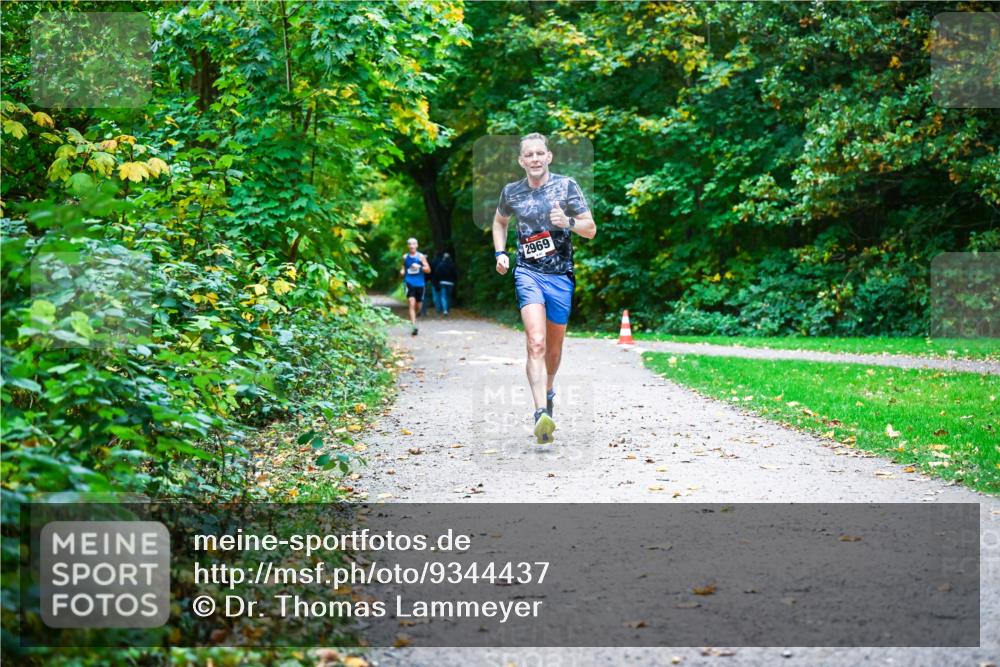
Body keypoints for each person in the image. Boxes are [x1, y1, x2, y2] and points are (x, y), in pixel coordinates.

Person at [491, 133, 596, 444]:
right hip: (528, 273)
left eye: (540, 153)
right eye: (529, 155)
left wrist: (567, 222)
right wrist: (500, 253)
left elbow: (590, 229)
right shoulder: (511, 192)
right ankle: (540, 414)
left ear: (549, 157)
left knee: (553, 349)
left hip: (560, 276)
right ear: (521, 161)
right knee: (535, 342)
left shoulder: (567, 187)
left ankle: (548, 393)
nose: (535, 159)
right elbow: (499, 222)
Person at [400, 237, 431, 335]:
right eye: (410, 244)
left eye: (413, 244)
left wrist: (420, 267)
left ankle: (414, 316)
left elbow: (428, 270)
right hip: (408, 282)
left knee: (418, 306)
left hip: (420, 284)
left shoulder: (421, 257)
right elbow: (403, 267)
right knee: (411, 302)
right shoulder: (405, 257)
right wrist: (402, 271)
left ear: (417, 245)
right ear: (408, 246)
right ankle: (413, 326)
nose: (412, 246)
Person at [434, 252, 457, 317]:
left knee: (443, 296)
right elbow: (455, 274)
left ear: (443, 258)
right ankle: (448, 309)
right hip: (450, 283)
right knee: (449, 296)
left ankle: (445, 310)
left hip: (442, 282)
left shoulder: (440, 265)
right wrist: (454, 281)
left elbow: (436, 274)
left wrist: (436, 282)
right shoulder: (452, 265)